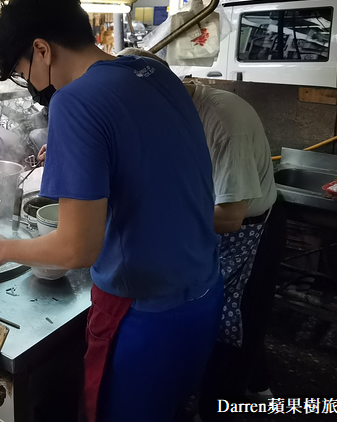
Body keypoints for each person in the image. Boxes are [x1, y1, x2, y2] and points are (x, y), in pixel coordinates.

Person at [0, 0, 223, 421]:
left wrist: (1, 248)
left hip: (143, 320)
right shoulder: (154, 72)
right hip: (202, 297)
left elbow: (75, 249)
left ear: (42, 49)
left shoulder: (75, 101)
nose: (28, 84)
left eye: (23, 71)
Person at [120, 48, 284, 420]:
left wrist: (156, 218)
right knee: (224, 321)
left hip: (248, 233)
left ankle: (219, 407)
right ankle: (259, 383)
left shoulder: (225, 122)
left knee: (233, 326)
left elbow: (230, 217)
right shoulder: (158, 113)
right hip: (200, 223)